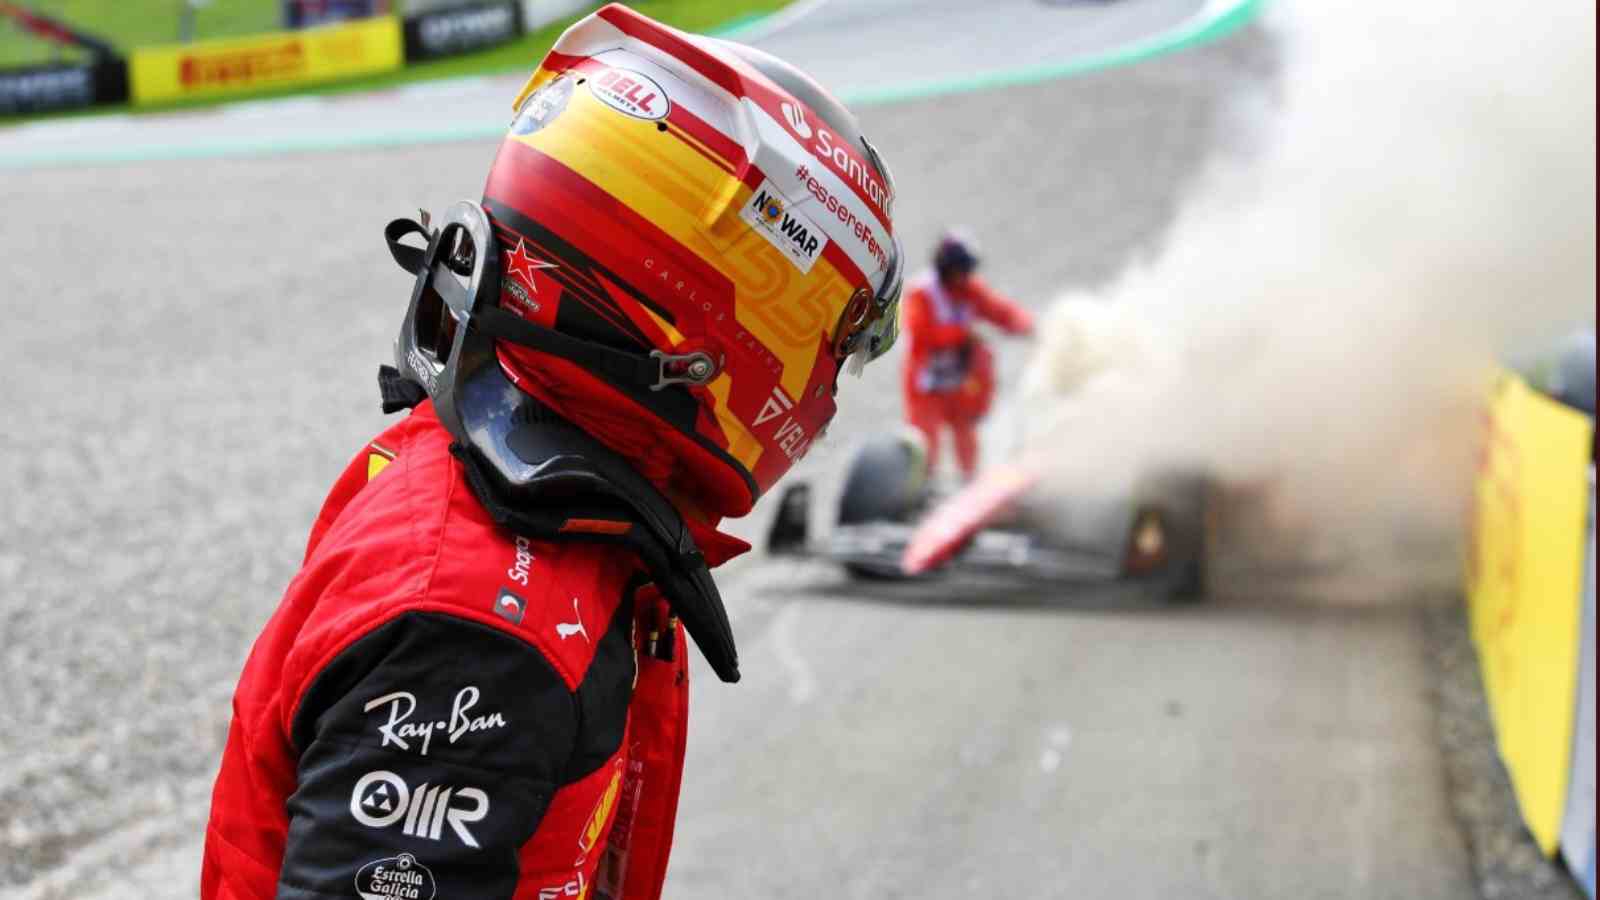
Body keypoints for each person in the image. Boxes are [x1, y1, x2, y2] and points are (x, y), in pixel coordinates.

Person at [200, 6, 904, 898]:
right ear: (716, 314)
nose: (828, 390)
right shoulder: (483, 628)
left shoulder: (530, 479)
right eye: (835, 343)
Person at [901, 230, 1033, 481]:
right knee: (925, 444)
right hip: (926, 385)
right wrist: (963, 334)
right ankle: (922, 489)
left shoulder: (970, 289)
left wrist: (1026, 326)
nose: (965, 277)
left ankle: (968, 483)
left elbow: (1000, 311)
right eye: (961, 270)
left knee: (967, 439)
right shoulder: (920, 293)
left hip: (958, 382)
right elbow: (922, 333)